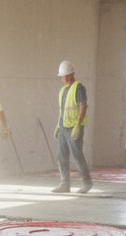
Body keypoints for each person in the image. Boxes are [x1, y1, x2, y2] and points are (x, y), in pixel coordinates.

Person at [52, 60, 92, 194]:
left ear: (70, 74)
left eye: (63, 75)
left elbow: (83, 106)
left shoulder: (78, 87)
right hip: (63, 127)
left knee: (77, 155)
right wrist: (58, 126)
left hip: (74, 128)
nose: (61, 78)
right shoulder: (62, 90)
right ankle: (65, 184)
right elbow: (62, 110)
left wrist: (78, 125)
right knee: (62, 156)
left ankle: (87, 183)